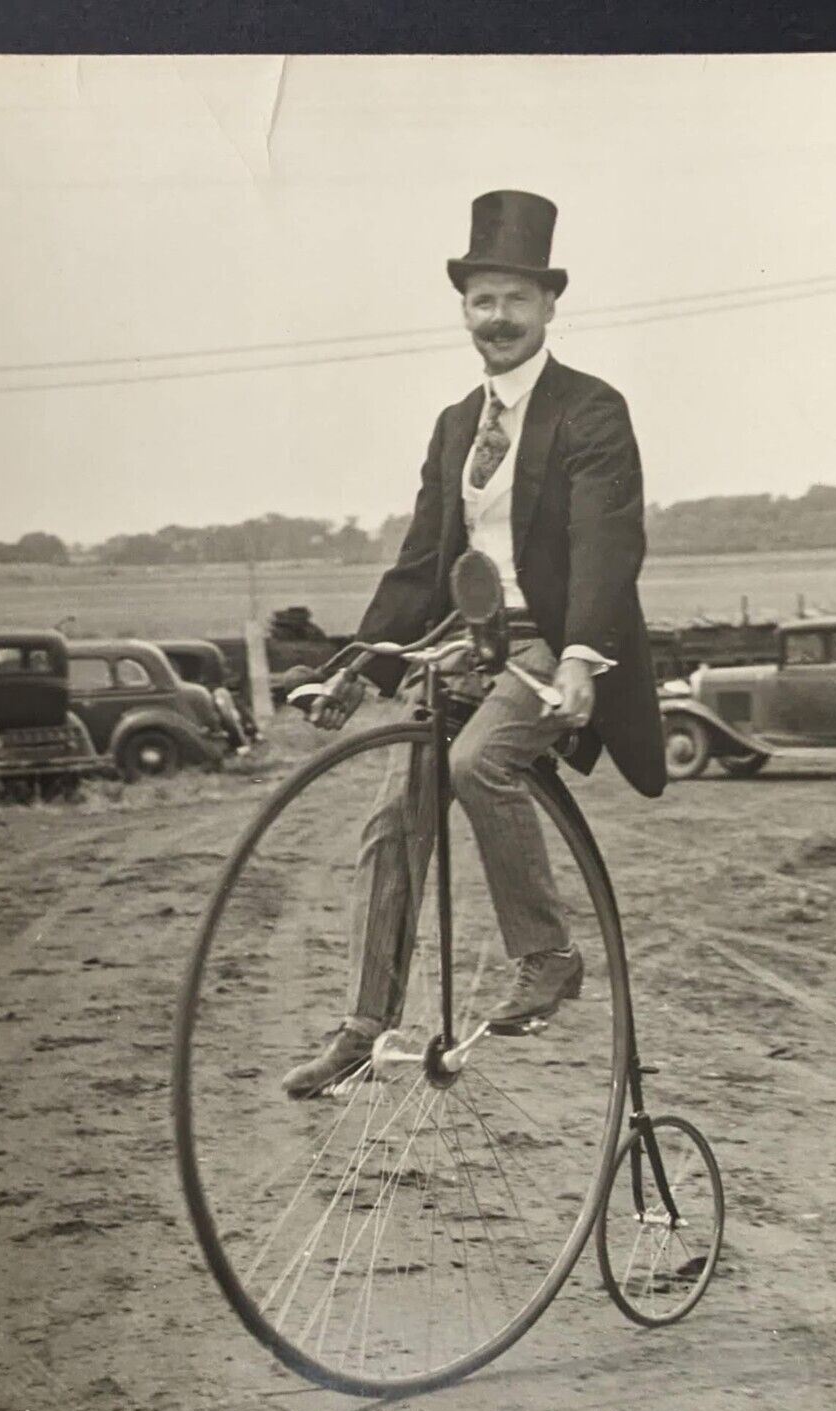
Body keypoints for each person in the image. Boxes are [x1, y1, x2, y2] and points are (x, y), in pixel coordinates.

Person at [281, 190, 667, 1099]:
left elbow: (606, 539)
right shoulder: (458, 424)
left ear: (548, 308)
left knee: (478, 764)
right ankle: (364, 1026)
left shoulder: (589, 411)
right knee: (392, 821)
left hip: (553, 645)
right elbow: (422, 565)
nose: (497, 319)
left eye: (515, 302)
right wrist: (355, 668)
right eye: (481, 301)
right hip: (470, 646)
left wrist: (579, 657)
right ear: (464, 309)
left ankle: (547, 955)